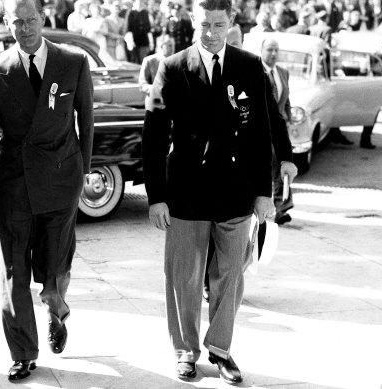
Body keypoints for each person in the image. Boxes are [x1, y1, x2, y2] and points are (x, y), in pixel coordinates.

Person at [142, 0, 274, 384]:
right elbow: (153, 136)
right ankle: (185, 351)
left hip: (236, 192)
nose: (211, 33)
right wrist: (155, 197)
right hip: (186, 192)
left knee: (230, 274)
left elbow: (261, 132)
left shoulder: (250, 67)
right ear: (193, 24)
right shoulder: (172, 67)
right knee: (183, 277)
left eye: (218, 24)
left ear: (232, 21)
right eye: (204, 25)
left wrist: (264, 193)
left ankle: (221, 350)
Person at [0, 0, 94, 381]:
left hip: (61, 180)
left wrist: (82, 174)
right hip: (15, 183)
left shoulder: (72, 61)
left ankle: (56, 309)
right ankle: (23, 351)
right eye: (16, 22)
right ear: (7, 24)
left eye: (30, 20)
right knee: (13, 271)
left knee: (55, 268)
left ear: (43, 19)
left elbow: (86, 123)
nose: (24, 29)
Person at [203, 26, 297, 300]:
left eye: (234, 43)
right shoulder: (198, 67)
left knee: (237, 230)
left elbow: (274, 120)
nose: (227, 48)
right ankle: (211, 282)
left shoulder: (253, 72)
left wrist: (287, 158)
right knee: (209, 229)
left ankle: (226, 281)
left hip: (243, 170)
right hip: (207, 169)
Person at [260, 37, 296, 224]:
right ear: (262, 50)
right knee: (272, 168)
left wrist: (288, 119)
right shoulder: (256, 73)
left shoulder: (283, 72)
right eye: (270, 50)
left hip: (280, 129)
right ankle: (277, 206)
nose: (273, 54)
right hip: (264, 130)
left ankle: (282, 206)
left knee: (282, 167)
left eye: (276, 50)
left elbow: (286, 99)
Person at [139, 34, 174, 106]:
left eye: (173, 45)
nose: (172, 48)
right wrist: (157, 89)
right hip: (155, 103)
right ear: (161, 46)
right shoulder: (149, 61)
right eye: (169, 45)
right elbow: (142, 84)